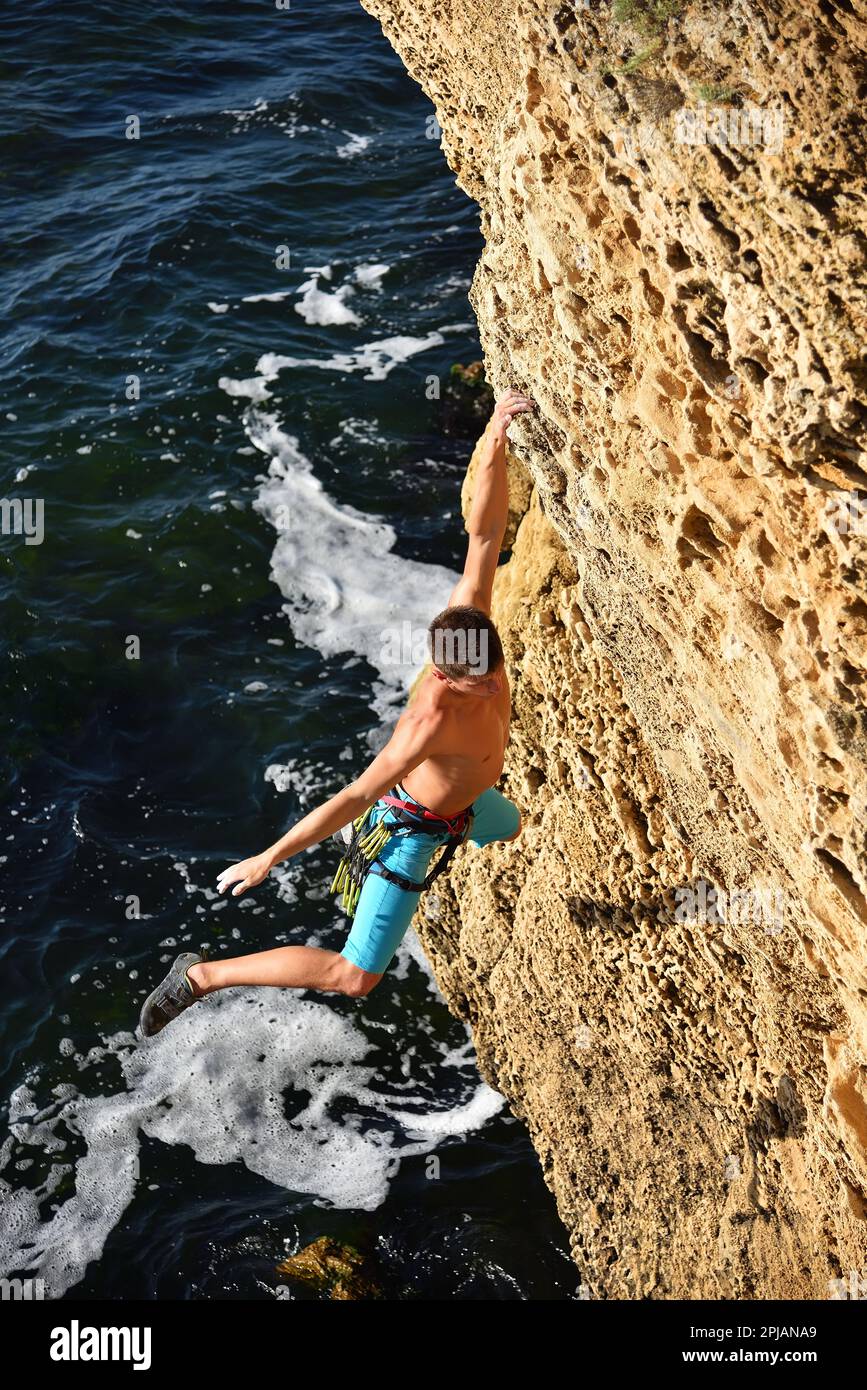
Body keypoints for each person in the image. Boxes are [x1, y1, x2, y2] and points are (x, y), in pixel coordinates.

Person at [139, 387, 534, 1037]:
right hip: (411, 830)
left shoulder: (469, 623)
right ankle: (201, 976)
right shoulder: (425, 724)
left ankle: (476, 828)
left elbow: (484, 532)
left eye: (494, 673)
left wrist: (493, 434)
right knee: (355, 977)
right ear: (441, 675)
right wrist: (269, 857)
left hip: (466, 803)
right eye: (476, 686)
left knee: (507, 822)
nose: (492, 690)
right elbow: (353, 799)